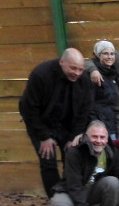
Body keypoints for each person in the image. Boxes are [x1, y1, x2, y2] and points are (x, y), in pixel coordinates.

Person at [19, 48, 94, 198]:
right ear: (62, 62)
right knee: (48, 160)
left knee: (72, 158)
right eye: (73, 68)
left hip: (68, 125)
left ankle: (72, 197)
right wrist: (44, 137)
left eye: (80, 69)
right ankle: (56, 200)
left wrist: (73, 137)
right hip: (41, 123)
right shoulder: (41, 74)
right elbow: (29, 109)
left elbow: (84, 112)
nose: (77, 73)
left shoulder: (84, 80)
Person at [49, 120, 119, 206]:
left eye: (102, 137)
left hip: (91, 191)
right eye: (94, 137)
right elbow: (74, 184)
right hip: (70, 191)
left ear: (107, 137)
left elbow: (117, 168)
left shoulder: (111, 151)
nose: (99, 140)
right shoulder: (75, 151)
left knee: (112, 181)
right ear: (86, 136)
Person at [89, 40, 119, 139]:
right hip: (99, 124)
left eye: (112, 54)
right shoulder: (94, 75)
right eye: (105, 53)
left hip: (110, 122)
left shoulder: (111, 73)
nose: (109, 57)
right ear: (98, 55)